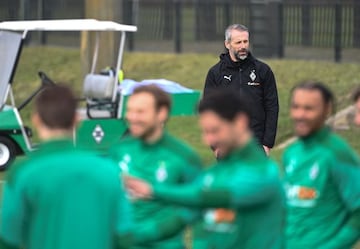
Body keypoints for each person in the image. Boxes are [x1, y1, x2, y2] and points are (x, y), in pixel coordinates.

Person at [125, 89, 284, 249]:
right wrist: (124, 237)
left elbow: (211, 196)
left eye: (215, 130)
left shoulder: (264, 172)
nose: (209, 140)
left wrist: (153, 190)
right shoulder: (214, 173)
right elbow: (180, 219)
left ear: (240, 122)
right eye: (206, 132)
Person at [0, 85, 132, 249]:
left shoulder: (22, 173)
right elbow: (124, 235)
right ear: (77, 119)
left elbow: (8, 238)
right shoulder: (109, 170)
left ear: (36, 119)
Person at [108, 85, 202, 249]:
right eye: (130, 110)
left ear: (162, 113)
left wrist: (157, 231)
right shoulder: (119, 150)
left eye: (140, 112)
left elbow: (197, 205)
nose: (132, 117)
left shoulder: (184, 157)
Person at [283, 81, 360, 248]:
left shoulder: (338, 154)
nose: (300, 114)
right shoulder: (291, 153)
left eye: (308, 109)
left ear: (327, 110)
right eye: (296, 107)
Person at [203, 24, 279, 155]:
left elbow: (272, 106)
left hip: (255, 143)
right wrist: (215, 145)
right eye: (238, 42)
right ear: (227, 44)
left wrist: (267, 143)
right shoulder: (215, 73)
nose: (243, 46)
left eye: (245, 41)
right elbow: (209, 110)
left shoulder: (263, 71)